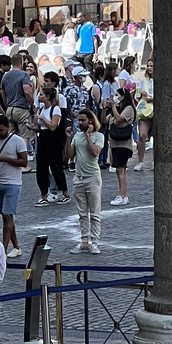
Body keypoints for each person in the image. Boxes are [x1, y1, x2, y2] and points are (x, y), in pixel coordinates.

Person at [0, 114, 28, 258]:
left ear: (8, 128)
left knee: (7, 215)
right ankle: (16, 247)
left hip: (13, 183)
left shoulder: (18, 141)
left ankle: (3, 251)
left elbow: (24, 162)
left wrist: (3, 159)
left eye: (1, 130)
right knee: (6, 217)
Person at [71, 109, 105, 254]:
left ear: (90, 121)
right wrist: (68, 139)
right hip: (78, 178)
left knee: (94, 212)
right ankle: (84, 241)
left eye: (82, 120)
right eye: (78, 120)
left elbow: (95, 152)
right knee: (82, 213)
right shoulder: (76, 136)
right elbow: (69, 155)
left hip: (93, 177)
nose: (79, 123)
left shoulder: (99, 136)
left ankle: (95, 242)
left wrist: (88, 136)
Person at [33, 80, 68, 206]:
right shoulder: (41, 109)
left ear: (48, 96)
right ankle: (44, 195)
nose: (39, 96)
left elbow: (53, 126)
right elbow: (39, 127)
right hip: (42, 138)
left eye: (41, 94)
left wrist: (43, 119)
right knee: (41, 168)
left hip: (53, 140)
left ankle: (65, 193)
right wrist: (32, 127)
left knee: (56, 167)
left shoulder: (56, 109)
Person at [104, 87, 136, 205]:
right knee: (120, 170)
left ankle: (122, 195)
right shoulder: (116, 109)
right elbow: (104, 121)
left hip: (124, 144)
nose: (116, 98)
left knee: (120, 169)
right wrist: (104, 109)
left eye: (117, 95)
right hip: (114, 143)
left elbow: (120, 119)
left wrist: (112, 106)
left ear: (123, 96)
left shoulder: (128, 109)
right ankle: (123, 194)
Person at [0, 54, 34, 147]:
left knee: (11, 136)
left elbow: (3, 94)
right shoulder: (24, 75)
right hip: (21, 108)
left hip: (10, 109)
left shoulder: (5, 76)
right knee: (24, 135)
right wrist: (33, 105)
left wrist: (7, 105)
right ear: (21, 62)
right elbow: (27, 92)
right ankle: (23, 156)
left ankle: (12, 156)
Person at [132, 68, 154, 171]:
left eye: (152, 65)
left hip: (156, 107)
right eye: (148, 65)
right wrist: (141, 95)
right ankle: (140, 161)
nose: (150, 68)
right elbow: (137, 96)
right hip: (145, 109)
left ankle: (155, 161)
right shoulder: (142, 80)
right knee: (142, 135)